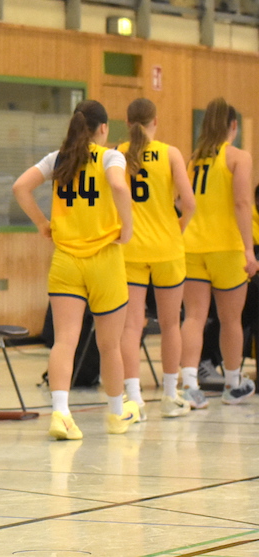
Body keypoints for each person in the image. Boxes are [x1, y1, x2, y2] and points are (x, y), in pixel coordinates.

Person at [12, 100, 139, 440]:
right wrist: (127, 228)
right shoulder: (110, 156)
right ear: (102, 129)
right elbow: (118, 186)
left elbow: (20, 187)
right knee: (109, 345)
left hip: (66, 260)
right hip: (104, 260)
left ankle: (61, 414)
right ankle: (116, 413)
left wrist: (42, 223)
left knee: (64, 342)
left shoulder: (59, 158)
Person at [116, 98, 195, 418]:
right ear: (155, 122)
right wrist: (178, 226)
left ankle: (134, 398)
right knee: (171, 323)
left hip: (130, 248)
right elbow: (188, 203)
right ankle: (170, 394)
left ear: (127, 122)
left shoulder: (117, 154)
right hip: (167, 248)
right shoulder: (170, 153)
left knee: (131, 327)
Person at [179, 98, 259, 407]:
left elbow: (182, 202)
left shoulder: (193, 159)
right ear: (233, 126)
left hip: (192, 246)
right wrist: (249, 250)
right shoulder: (239, 157)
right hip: (226, 249)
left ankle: (188, 387)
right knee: (231, 320)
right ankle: (232, 384)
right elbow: (241, 203)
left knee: (194, 317)